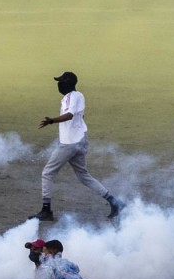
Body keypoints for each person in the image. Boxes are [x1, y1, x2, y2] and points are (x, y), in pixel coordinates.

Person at [37, 71, 121, 222]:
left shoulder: (71, 96)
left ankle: (46, 210)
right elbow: (79, 116)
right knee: (83, 175)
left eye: (61, 81)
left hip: (69, 143)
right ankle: (115, 202)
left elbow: (69, 115)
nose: (59, 84)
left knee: (47, 173)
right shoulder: (78, 96)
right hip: (80, 140)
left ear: (67, 83)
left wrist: (52, 121)